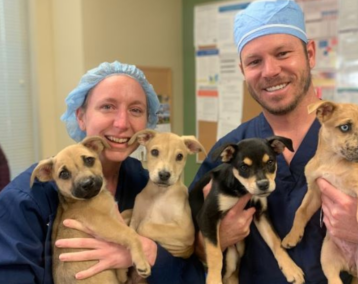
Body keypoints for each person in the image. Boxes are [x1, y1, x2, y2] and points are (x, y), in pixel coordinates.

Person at [189, 1, 358, 283]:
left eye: (283, 53)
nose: (270, 70)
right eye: (254, 61)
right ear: (242, 70)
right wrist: (213, 240)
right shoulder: (229, 152)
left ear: (310, 53)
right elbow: (185, 250)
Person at [0, 61, 205, 284]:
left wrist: (147, 252)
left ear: (148, 123)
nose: (121, 123)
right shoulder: (25, 200)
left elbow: (192, 275)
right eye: (107, 106)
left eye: (135, 110)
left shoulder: (147, 185)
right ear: (80, 116)